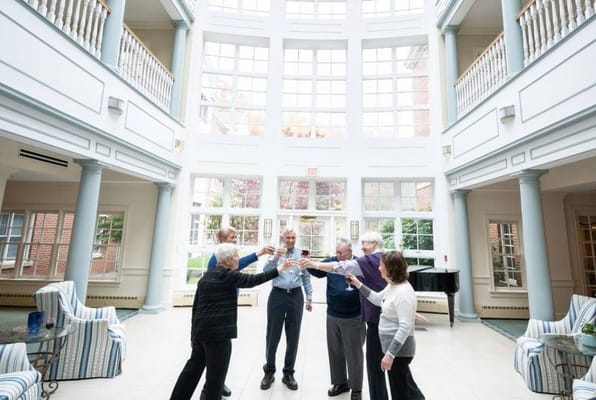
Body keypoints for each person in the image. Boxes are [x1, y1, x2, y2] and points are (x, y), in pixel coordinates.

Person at [170, 243, 295, 400]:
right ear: (228, 260)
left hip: (200, 334)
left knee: (191, 371)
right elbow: (254, 280)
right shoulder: (229, 276)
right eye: (237, 255)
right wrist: (280, 268)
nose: (238, 259)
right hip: (219, 337)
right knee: (215, 379)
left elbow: (195, 308)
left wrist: (193, 336)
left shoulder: (207, 276)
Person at [204, 226, 274, 398]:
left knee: (220, 355)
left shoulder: (227, 257)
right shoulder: (217, 259)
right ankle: (211, 389)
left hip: (226, 308)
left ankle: (219, 383)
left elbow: (237, 265)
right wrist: (260, 254)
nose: (235, 239)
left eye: (236, 237)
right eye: (231, 237)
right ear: (222, 240)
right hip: (216, 313)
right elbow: (241, 269)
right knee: (216, 354)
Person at [347, 250, 425, 400]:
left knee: (399, 392)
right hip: (392, 349)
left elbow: (404, 327)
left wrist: (390, 355)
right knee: (405, 386)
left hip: (399, 351)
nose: (378, 268)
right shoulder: (393, 286)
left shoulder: (403, 292)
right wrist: (358, 284)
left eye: (381, 265)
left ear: (390, 268)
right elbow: (377, 299)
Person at [307, 237, 365, 400]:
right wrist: (307, 263)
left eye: (341, 252)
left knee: (354, 354)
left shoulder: (360, 264)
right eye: (336, 252)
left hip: (354, 316)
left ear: (350, 252)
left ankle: (356, 388)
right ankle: (340, 383)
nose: (337, 255)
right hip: (332, 315)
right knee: (335, 351)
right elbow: (317, 272)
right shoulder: (332, 262)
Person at [260, 226, 313, 391]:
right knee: (272, 335)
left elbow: (306, 277)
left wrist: (309, 297)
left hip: (296, 296)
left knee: (293, 335)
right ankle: (269, 371)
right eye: (287, 238)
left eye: (293, 238)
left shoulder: (301, 253)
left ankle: (288, 373)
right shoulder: (275, 253)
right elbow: (265, 272)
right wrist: (275, 259)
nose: (290, 240)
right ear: (282, 238)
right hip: (277, 295)